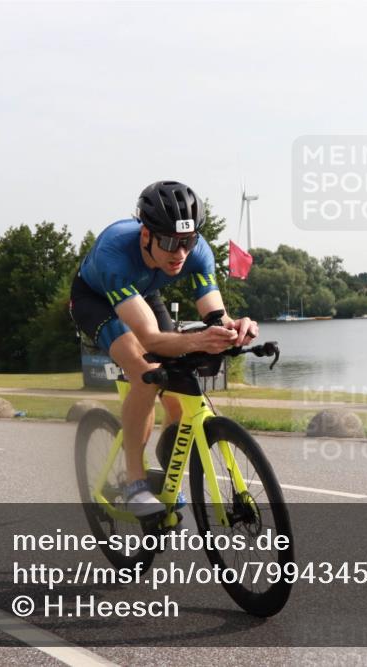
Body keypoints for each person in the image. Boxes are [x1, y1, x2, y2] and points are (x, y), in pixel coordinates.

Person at [69, 180, 258, 516]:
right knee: (147, 372)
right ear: (146, 236)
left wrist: (235, 328)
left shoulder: (196, 252)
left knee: (178, 388)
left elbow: (215, 315)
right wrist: (199, 340)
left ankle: (168, 472)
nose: (180, 254)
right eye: (170, 242)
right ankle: (135, 484)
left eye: (187, 242)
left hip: (142, 294)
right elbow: (151, 339)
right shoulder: (115, 250)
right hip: (96, 300)